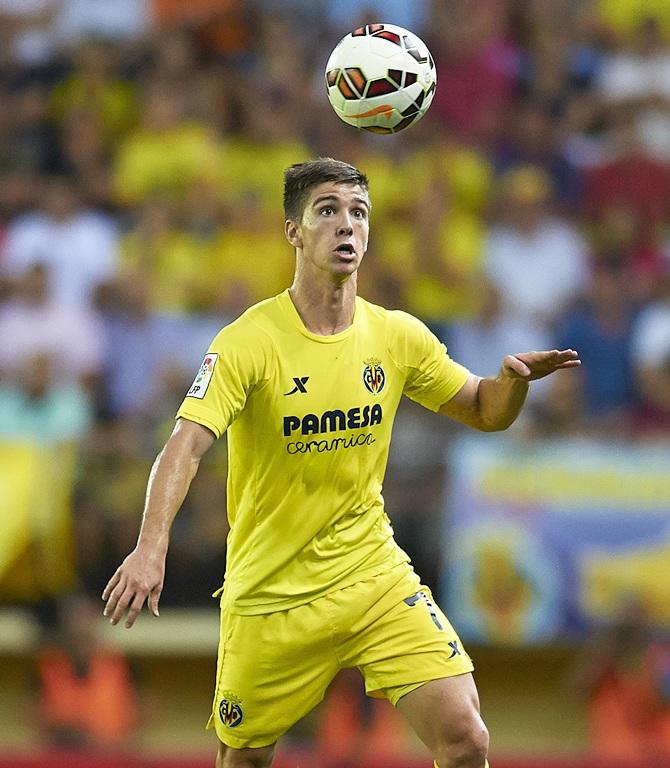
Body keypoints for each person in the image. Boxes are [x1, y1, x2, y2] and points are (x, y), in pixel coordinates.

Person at [102, 158, 580, 768]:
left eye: (358, 212)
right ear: (293, 231)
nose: (346, 225)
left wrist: (512, 382)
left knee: (467, 737)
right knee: (244, 758)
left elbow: (485, 411)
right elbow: (185, 445)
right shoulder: (247, 341)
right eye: (327, 210)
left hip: (371, 573)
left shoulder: (397, 335)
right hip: (271, 594)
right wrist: (150, 547)